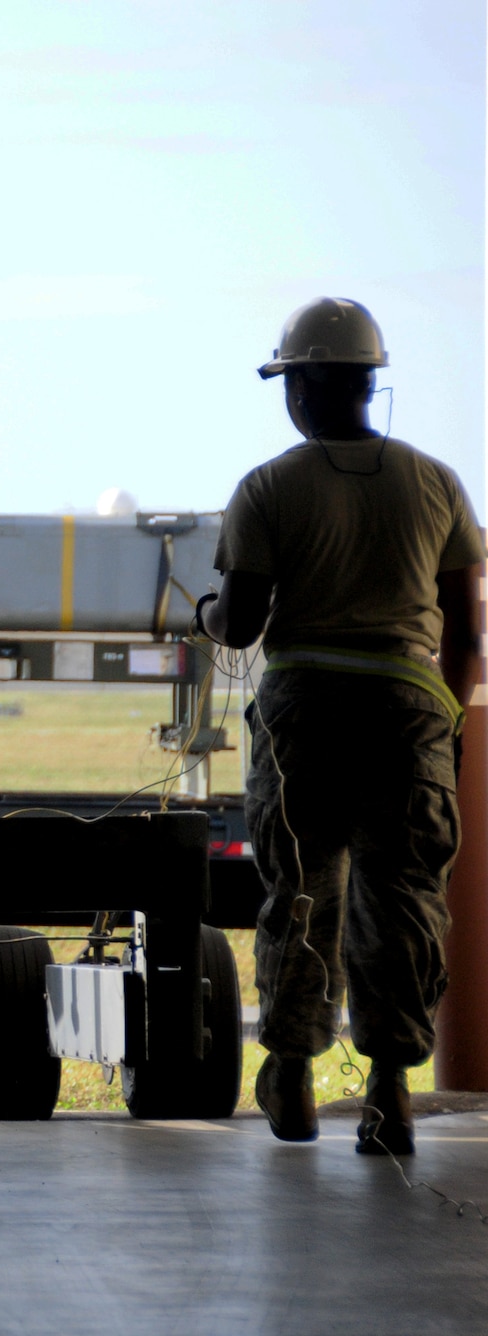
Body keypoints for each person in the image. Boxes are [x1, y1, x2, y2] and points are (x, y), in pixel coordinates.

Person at [196, 297, 483, 1155]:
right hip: (408, 713)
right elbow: (468, 631)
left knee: (302, 892)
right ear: (368, 384)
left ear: (300, 389)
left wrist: (208, 611)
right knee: (401, 900)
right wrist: (448, 718)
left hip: (302, 717)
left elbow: (242, 625)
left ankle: (290, 1073)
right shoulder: (438, 483)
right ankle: (391, 1092)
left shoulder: (268, 486)